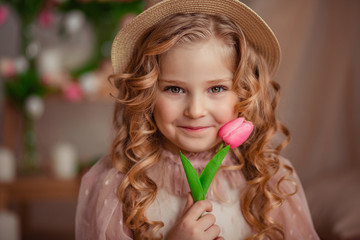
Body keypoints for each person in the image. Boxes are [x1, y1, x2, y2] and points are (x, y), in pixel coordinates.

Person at [75, 0, 320, 239]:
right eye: (174, 89)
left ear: (245, 91)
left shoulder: (271, 181)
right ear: (147, 93)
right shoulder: (119, 184)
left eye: (216, 89)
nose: (195, 111)